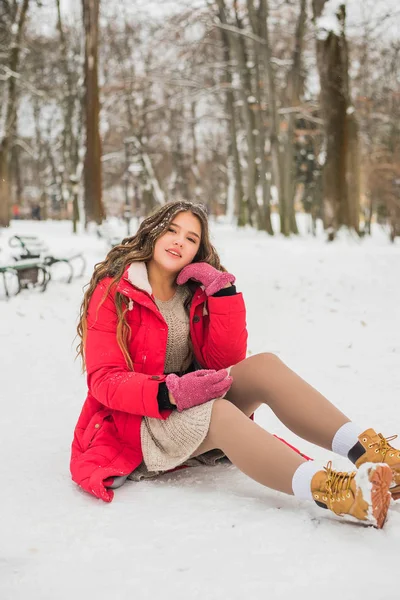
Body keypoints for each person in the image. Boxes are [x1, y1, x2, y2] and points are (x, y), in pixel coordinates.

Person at [71, 201, 400, 529]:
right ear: (153, 232)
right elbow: (104, 380)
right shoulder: (114, 293)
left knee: (264, 366)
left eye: (191, 238)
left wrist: (222, 293)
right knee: (220, 413)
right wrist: (170, 393)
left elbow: (224, 363)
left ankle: (371, 452)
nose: (178, 242)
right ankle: (342, 494)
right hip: (139, 422)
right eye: (172, 230)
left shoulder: (192, 292)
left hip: (191, 402)